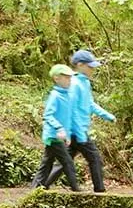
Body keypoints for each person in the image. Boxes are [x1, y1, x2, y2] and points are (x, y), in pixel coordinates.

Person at [46, 49, 115, 193]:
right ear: (80, 65)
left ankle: (43, 185)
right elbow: (72, 109)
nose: (92, 69)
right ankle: (100, 190)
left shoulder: (85, 83)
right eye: (90, 66)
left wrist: (106, 115)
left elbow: (89, 104)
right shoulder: (75, 83)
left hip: (77, 130)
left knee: (65, 161)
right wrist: (78, 132)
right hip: (77, 130)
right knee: (94, 158)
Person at [31, 64, 80, 192]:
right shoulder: (55, 96)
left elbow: (66, 119)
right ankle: (76, 189)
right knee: (67, 162)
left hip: (58, 135)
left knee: (46, 164)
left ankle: (35, 190)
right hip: (52, 136)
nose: (69, 80)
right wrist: (59, 128)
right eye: (66, 77)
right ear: (57, 79)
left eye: (70, 77)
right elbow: (48, 115)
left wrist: (67, 134)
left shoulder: (66, 96)